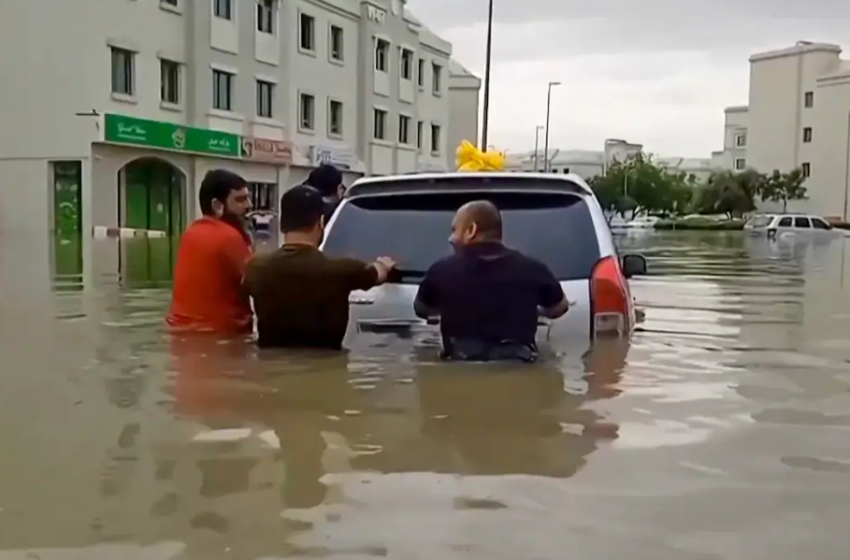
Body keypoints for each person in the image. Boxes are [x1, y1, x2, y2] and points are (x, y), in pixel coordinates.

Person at [413, 200, 570, 362]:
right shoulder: (534, 269)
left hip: (460, 369)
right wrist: (534, 311)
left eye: (454, 230)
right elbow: (560, 307)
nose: (450, 238)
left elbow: (422, 309)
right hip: (518, 369)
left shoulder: (441, 271)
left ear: (471, 230)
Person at [245, 184, 396, 349]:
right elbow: (378, 274)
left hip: (270, 368)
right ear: (321, 222)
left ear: (281, 225)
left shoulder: (256, 267)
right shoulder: (343, 270)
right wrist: (383, 263)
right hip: (328, 367)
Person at [166, 169, 253, 334]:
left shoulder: (191, 233)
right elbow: (259, 284)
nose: (248, 205)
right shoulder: (229, 236)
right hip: (223, 335)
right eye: (240, 200)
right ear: (217, 206)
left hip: (182, 333)